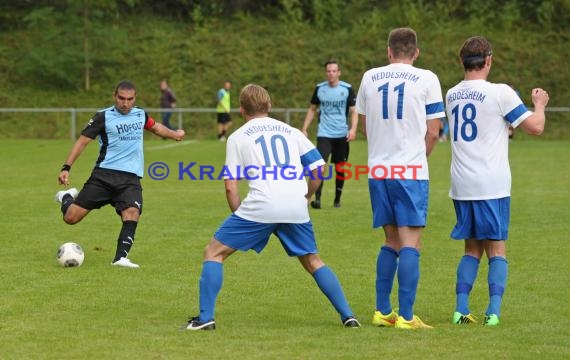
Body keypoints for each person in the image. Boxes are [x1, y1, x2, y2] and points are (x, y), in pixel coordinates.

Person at [185, 84, 360, 330]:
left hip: (261, 206)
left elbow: (230, 187)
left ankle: (205, 319)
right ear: (269, 106)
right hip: (295, 206)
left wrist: (240, 215)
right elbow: (319, 170)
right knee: (313, 261)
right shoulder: (292, 132)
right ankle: (349, 316)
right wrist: (307, 196)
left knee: (213, 253)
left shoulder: (238, 137)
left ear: (241, 109)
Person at [446, 36, 549, 326]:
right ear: (489, 60)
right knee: (497, 249)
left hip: (462, 183)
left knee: (471, 249)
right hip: (491, 183)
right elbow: (536, 128)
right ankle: (493, 312)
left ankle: (460, 310)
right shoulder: (500, 92)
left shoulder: (452, 93)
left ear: (461, 61)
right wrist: (538, 103)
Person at [355, 27, 444, 329]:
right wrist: (419, 157)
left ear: (388, 51)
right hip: (410, 171)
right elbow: (434, 131)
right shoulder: (427, 78)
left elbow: (365, 127)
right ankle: (406, 316)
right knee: (410, 243)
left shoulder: (369, 77)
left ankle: (382, 312)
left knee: (390, 240)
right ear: (415, 52)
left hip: (378, 169)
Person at [54, 80, 185, 268]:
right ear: (115, 97)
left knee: (132, 212)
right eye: (121, 98)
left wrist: (175, 134)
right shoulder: (103, 117)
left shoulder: (140, 114)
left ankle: (120, 258)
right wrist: (66, 167)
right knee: (71, 218)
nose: (125, 103)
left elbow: (156, 127)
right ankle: (66, 197)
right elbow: (82, 142)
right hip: (104, 176)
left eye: (129, 99)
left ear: (135, 98)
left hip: (130, 178)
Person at [301, 60, 358, 209]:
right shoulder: (320, 89)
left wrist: (352, 129)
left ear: (339, 72)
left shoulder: (347, 89)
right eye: (328, 71)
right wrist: (305, 128)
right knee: (320, 166)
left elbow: (353, 111)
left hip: (341, 135)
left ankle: (337, 200)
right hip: (324, 134)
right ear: (326, 73)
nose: (331, 74)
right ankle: (317, 199)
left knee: (340, 167)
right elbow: (312, 109)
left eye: (334, 71)